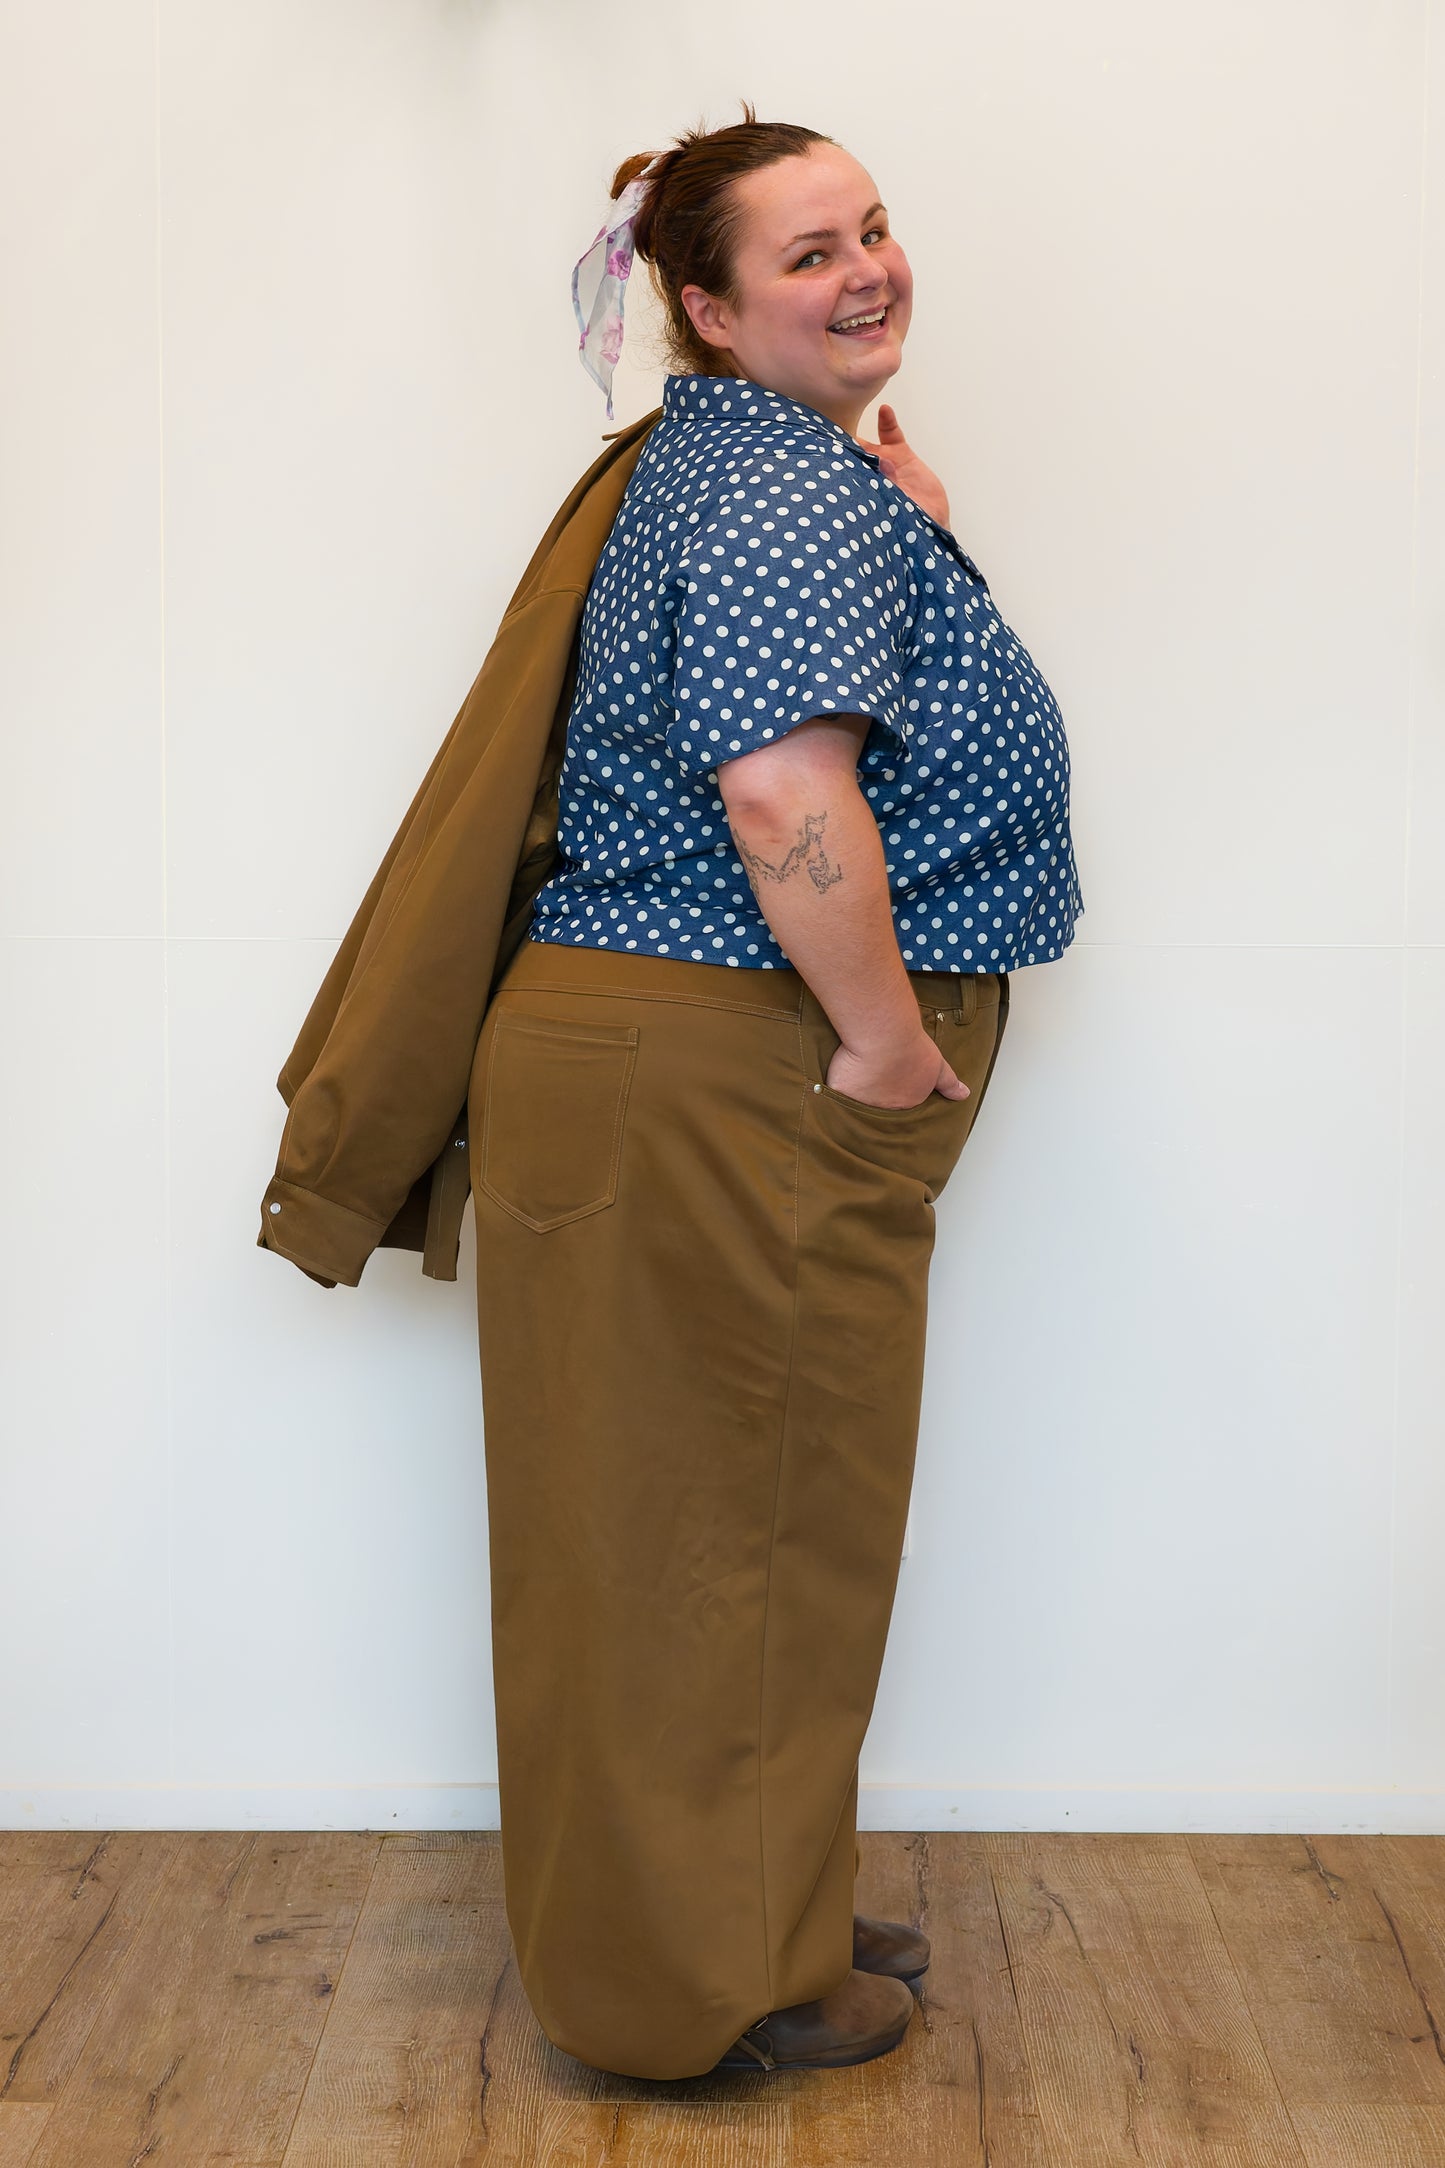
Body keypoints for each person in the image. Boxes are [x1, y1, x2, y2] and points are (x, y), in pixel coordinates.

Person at [470, 104, 1083, 2083]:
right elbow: (783, 791)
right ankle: (702, 1994)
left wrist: (908, 509)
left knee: (712, 1531)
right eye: (810, 253)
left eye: (877, 228)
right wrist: (889, 1043)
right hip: (733, 1058)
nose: (868, 269)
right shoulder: (780, 496)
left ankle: (756, 1907)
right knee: (729, 1545)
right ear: (712, 308)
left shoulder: (750, 466)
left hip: (668, 1057)